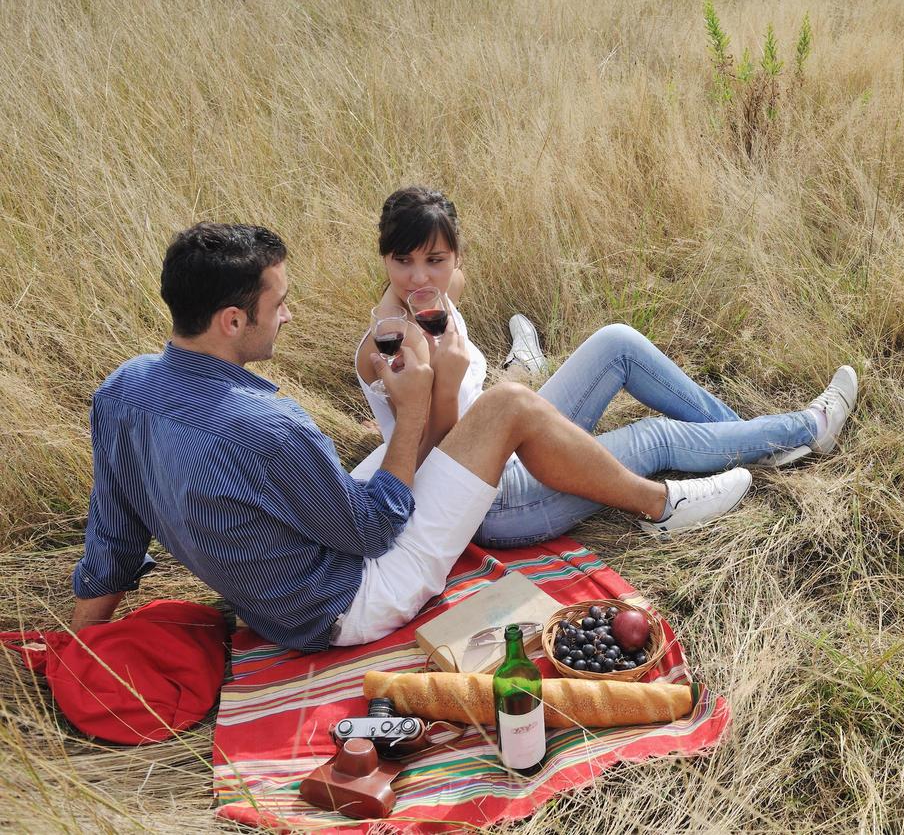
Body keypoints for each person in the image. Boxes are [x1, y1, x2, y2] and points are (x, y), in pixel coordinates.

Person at [68, 224, 759, 653]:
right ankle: (656, 506)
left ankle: (567, 425)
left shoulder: (123, 390)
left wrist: (83, 640)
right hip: (347, 602)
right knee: (509, 408)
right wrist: (417, 406)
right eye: (278, 305)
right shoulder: (267, 426)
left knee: (465, 415)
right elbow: (371, 530)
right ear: (229, 321)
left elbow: (115, 533)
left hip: (280, 594)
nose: (290, 316)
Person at [353, 187, 859, 546]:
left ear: (456, 256)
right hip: (491, 501)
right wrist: (450, 378)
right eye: (402, 261)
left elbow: (443, 283)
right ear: (382, 259)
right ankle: (809, 429)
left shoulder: (428, 296)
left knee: (616, 342)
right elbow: (436, 455)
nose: (420, 276)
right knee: (657, 438)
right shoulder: (393, 348)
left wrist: (429, 285)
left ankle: (749, 440)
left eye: (435, 259)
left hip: (513, 441)